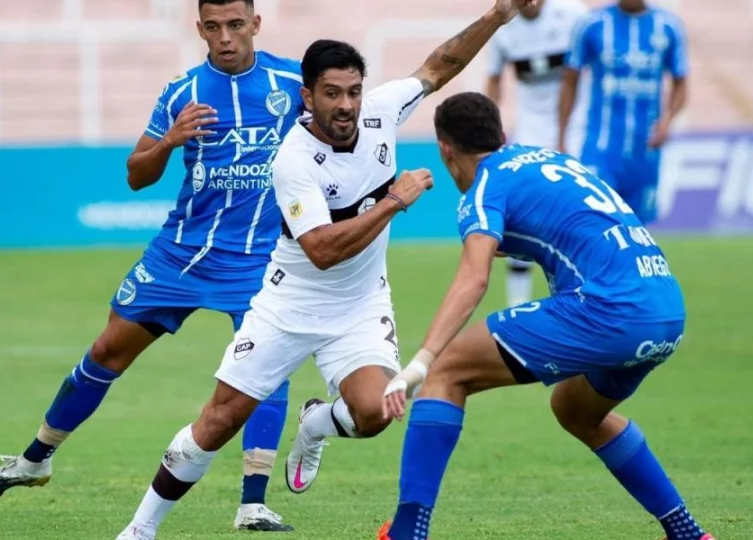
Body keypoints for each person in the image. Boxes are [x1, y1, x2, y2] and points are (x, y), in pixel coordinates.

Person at [113, 1, 534, 537]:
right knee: (219, 419)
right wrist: (393, 201)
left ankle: (316, 422)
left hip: (360, 305)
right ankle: (140, 529)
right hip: (290, 304)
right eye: (332, 94)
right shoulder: (293, 158)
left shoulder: (381, 112)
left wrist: (498, 16)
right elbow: (321, 250)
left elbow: (439, 66)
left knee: (377, 412)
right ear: (307, 97)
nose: (346, 105)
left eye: (354, 92)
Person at [0, 0, 305, 532]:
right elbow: (136, 175)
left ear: (255, 24)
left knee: (265, 367)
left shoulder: (295, 83)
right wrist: (170, 141)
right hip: (181, 255)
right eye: (213, 27)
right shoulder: (182, 92)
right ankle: (34, 460)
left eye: (236, 25)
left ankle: (253, 503)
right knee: (106, 351)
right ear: (199, 29)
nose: (225, 37)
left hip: (258, 261)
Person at [376, 92, 713, 540]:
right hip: (665, 307)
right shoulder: (546, 159)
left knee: (446, 371)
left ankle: (406, 532)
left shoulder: (486, 187)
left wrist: (420, 361)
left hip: (609, 308)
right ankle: (686, 531)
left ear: (444, 150)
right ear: (501, 135)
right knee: (575, 410)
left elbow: (473, 279)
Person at [484, 0, 589, 308]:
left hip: (578, 131)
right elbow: (493, 78)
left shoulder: (574, 16)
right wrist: (492, 130)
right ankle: (517, 304)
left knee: (577, 219)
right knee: (522, 216)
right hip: (531, 133)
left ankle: (583, 299)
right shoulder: (503, 28)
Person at [558, 0, 689, 224]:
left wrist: (667, 121)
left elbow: (681, 83)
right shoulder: (592, 24)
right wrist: (562, 135)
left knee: (638, 227)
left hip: (645, 149)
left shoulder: (668, 26)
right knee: (595, 221)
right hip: (601, 148)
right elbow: (570, 81)